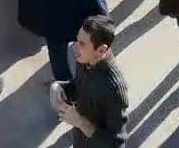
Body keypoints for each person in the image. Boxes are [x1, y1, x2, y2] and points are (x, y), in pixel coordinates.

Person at [55, 15, 129, 148]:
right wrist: (60, 88)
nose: (74, 47)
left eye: (82, 44)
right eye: (77, 41)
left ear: (101, 51)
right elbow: (79, 86)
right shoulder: (84, 59)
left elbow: (115, 144)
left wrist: (80, 122)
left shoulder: (114, 88)